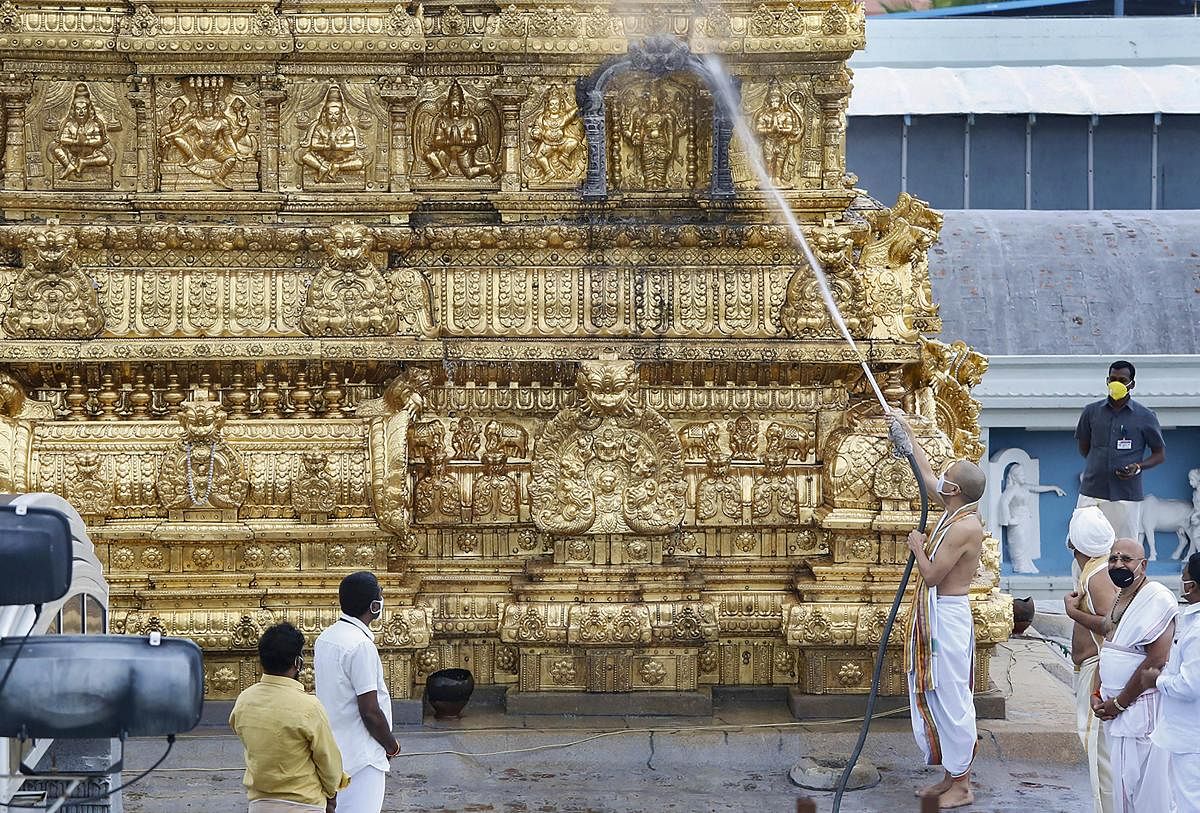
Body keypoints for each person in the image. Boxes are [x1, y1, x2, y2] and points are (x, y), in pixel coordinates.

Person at [890, 414, 987, 810]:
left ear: (957, 491)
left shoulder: (965, 527)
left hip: (947, 614)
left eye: (949, 477)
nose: (941, 479)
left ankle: (962, 784)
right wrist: (906, 432)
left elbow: (931, 577)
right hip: (937, 614)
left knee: (951, 695)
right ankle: (949, 776)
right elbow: (927, 474)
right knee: (935, 692)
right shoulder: (952, 509)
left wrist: (917, 546)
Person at [1091, 537, 1177, 813]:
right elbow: (1109, 646)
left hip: (1140, 711)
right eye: (1113, 559)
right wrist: (1097, 693)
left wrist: (1119, 703)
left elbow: (1157, 660)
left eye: (1126, 559)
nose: (1118, 564)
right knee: (1123, 788)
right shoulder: (1120, 595)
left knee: (1144, 790)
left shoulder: (1158, 598)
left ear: (1143, 564)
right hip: (1114, 709)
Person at [229, 622, 348, 813]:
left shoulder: (244, 700)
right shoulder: (309, 707)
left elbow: (241, 731)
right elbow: (329, 764)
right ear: (298, 663)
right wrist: (331, 795)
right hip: (304, 803)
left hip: (260, 804)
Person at [315, 572, 400, 813]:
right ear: (374, 606)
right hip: (362, 757)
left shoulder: (326, 638)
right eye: (380, 596)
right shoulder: (361, 645)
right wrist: (391, 746)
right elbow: (370, 711)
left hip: (332, 752)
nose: (382, 600)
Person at [1062, 506, 1119, 813]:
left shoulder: (1098, 576)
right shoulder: (1094, 569)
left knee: (1100, 756)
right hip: (1090, 667)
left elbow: (1113, 628)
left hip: (1097, 670)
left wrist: (1074, 614)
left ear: (1074, 542)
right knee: (1097, 752)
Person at [1075, 360, 1166, 541]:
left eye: (1122, 380)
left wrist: (1138, 466)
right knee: (1084, 542)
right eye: (1113, 379)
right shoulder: (1091, 412)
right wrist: (1099, 464)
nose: (1117, 383)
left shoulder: (1146, 416)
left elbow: (1159, 454)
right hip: (1092, 490)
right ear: (1107, 381)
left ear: (1132, 384)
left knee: (1124, 547)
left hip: (1126, 493)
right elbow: (1084, 448)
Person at [1145, 552, 1200, 813]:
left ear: (1194, 585)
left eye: (1185, 578)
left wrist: (1159, 680)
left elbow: (1190, 685)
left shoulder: (1198, 630)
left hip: (1192, 738)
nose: (1183, 583)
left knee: (1190, 802)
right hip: (1187, 735)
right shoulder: (1192, 621)